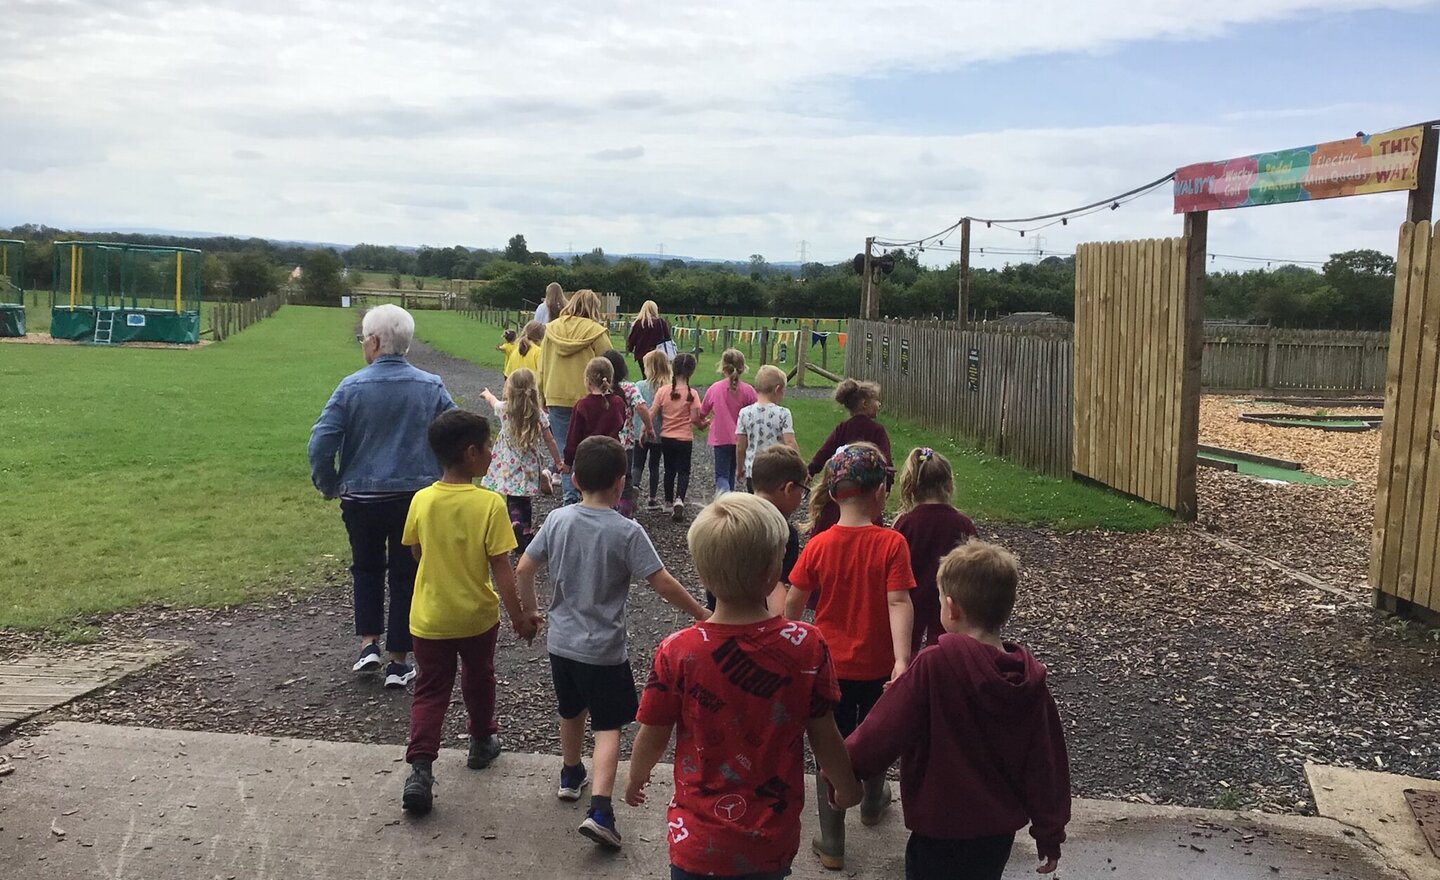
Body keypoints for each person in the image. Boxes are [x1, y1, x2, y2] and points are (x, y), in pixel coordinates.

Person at [625, 493, 862, 880]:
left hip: (695, 842)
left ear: (702, 574)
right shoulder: (807, 646)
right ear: (772, 573)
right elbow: (824, 733)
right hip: (768, 841)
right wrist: (846, 787)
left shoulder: (678, 651)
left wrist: (636, 776)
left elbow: (652, 732)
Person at [516, 436, 710, 851]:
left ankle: (571, 775)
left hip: (561, 644)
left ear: (578, 477)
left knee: (571, 710)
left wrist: (531, 613)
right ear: (621, 483)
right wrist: (701, 613)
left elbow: (525, 566)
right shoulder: (627, 531)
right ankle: (601, 809)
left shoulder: (558, 520)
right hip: (603, 649)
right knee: (608, 726)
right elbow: (662, 582)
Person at [843, 541, 1071, 880]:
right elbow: (1045, 760)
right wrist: (1049, 832)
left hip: (939, 829)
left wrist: (845, 768)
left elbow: (884, 729)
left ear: (950, 608)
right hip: (996, 835)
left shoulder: (934, 665)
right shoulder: (1026, 681)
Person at [398, 410, 543, 814]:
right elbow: (502, 569)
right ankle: (481, 741)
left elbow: (415, 550)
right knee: (479, 679)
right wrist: (519, 617)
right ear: (471, 452)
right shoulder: (490, 504)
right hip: (477, 618)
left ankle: (421, 769)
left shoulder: (422, 500)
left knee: (430, 690)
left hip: (428, 618)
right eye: (490, 446)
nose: (494, 452)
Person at [308, 304, 454, 687]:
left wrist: (330, 482)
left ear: (373, 342)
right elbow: (456, 432)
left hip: (362, 495)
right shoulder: (431, 386)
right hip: (415, 496)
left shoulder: (351, 387)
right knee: (407, 575)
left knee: (366, 568)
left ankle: (368, 643)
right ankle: (399, 660)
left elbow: (321, 441)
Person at [784, 443, 914, 871]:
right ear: (880, 494)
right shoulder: (892, 544)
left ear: (835, 493)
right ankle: (874, 801)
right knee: (875, 736)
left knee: (830, 747)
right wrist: (901, 660)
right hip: (879, 669)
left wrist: (784, 643)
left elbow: (794, 602)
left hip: (828, 668)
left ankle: (833, 839)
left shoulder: (819, 545)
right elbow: (898, 602)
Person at [894, 447, 977, 654]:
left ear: (914, 487)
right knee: (946, 649)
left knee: (905, 647)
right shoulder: (962, 524)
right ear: (949, 485)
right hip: (952, 597)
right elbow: (976, 563)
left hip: (911, 597)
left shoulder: (906, 523)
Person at [538, 289, 614, 504]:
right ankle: (590, 496)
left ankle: (570, 498)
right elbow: (608, 365)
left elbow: (541, 366)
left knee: (565, 452)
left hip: (556, 395)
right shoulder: (597, 333)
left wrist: (542, 395)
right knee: (591, 449)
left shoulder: (551, 329)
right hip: (589, 398)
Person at [479, 368, 562, 552]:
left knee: (512, 498)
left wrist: (487, 394)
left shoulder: (505, 409)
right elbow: (550, 440)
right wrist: (558, 461)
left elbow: (493, 402)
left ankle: (515, 522)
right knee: (525, 499)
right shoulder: (537, 414)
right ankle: (525, 530)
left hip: (508, 464)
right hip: (529, 466)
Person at [807, 379, 891, 536]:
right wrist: (887, 486)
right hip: (868, 492)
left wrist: (811, 470)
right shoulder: (877, 431)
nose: (879, 404)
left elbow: (824, 452)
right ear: (865, 403)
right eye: (876, 400)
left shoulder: (843, 428)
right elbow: (886, 462)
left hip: (842, 491)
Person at [748, 445, 809, 617]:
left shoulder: (729, 517)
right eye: (802, 491)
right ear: (789, 488)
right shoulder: (784, 533)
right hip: (756, 625)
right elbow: (775, 588)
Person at [603, 349, 656, 519]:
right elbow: (641, 406)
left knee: (604, 474)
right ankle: (624, 512)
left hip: (603, 440)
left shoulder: (601, 388)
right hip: (624, 442)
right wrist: (649, 427)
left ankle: (604, 508)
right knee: (625, 476)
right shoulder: (629, 388)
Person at [700, 348, 757, 496]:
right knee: (732, 471)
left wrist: (703, 421)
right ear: (743, 368)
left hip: (721, 438)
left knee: (721, 475)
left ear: (723, 368)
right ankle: (730, 499)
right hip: (742, 439)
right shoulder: (749, 391)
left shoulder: (715, 389)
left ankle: (725, 497)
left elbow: (702, 411)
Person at [734, 365, 798, 492]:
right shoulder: (783, 413)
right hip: (777, 471)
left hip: (753, 471)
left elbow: (741, 446)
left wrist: (740, 468)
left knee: (756, 506)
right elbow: (790, 442)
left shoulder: (745, 413)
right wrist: (799, 466)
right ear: (777, 389)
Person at [657, 352, 704, 522]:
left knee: (669, 470)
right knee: (684, 470)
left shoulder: (663, 391)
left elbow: (653, 411)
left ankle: (668, 501)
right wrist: (703, 425)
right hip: (684, 438)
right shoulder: (693, 394)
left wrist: (645, 429)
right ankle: (679, 499)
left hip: (667, 437)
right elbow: (694, 419)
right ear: (691, 372)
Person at [563, 356, 627, 472]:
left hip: (588, 456)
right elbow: (621, 423)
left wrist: (568, 461)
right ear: (610, 379)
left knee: (589, 489)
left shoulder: (582, 405)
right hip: (612, 454)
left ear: (588, 381)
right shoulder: (618, 402)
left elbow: (574, 435)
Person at [635, 349, 671, 511]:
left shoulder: (640, 386)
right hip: (660, 433)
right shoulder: (668, 389)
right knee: (654, 465)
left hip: (639, 432)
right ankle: (652, 497)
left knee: (637, 464)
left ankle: (634, 487)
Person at [625, 299, 671, 368]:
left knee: (645, 375)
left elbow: (632, 339)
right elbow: (667, 338)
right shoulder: (660, 323)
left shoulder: (639, 323)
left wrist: (630, 348)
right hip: (657, 354)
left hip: (641, 355)